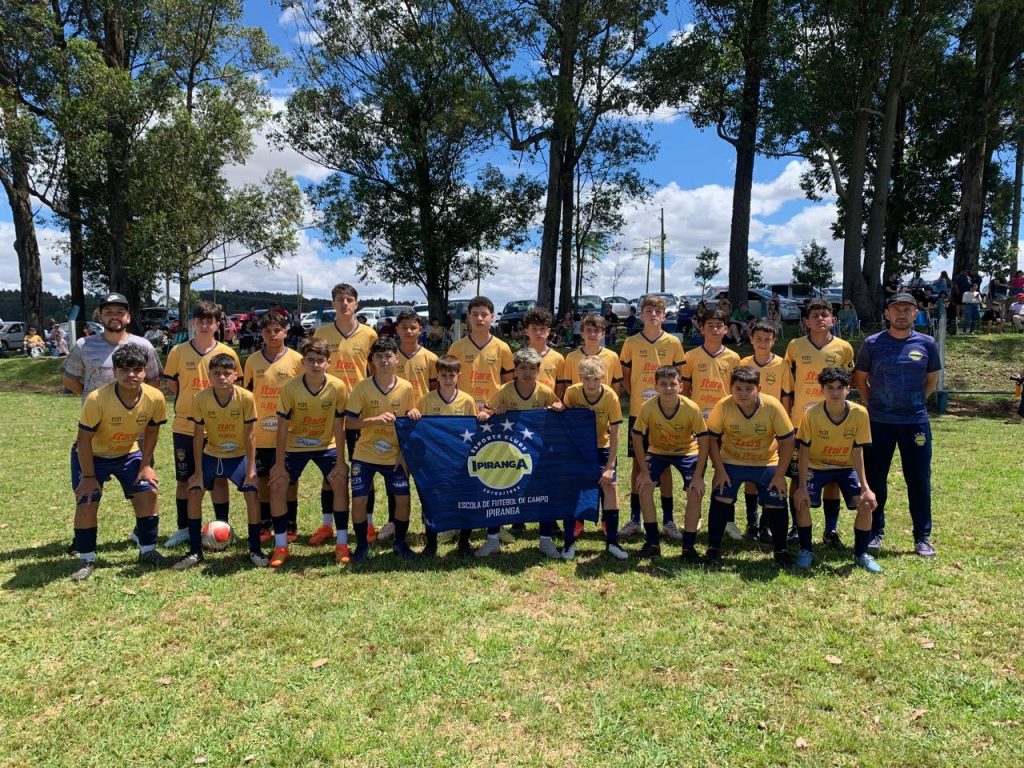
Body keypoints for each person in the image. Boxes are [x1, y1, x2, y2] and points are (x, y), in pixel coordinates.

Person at [62, 292, 162, 551]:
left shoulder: (144, 345)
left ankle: (143, 534)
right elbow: (70, 380)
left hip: (134, 434)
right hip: (96, 431)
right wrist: (98, 400)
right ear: (101, 316)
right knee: (87, 493)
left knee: (142, 487)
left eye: (120, 312)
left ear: (128, 317)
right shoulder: (84, 345)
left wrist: (134, 408)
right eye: (109, 312)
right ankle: (83, 543)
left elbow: (153, 381)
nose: (114, 317)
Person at [68, 343, 169, 581]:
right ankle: (86, 558)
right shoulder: (97, 399)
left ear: (145, 371)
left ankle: (148, 550)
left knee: (149, 491)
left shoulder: (155, 397)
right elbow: (84, 440)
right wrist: (89, 477)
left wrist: (146, 465)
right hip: (92, 456)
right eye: (124, 370)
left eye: (137, 369)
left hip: (127, 453)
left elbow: (152, 432)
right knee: (87, 499)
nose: (131, 375)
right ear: (114, 372)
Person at [853, 292, 942, 558]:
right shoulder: (872, 343)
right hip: (879, 422)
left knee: (919, 480)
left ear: (916, 313)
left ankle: (922, 537)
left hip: (915, 422)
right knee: (876, 479)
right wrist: (873, 404)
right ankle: (874, 532)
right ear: (887, 314)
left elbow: (931, 381)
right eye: (896, 309)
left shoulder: (927, 343)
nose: (901, 314)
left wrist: (915, 403)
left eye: (907, 309)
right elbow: (860, 379)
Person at [172, 354, 267, 570]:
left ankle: (255, 549)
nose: (222, 377)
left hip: (239, 456)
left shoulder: (245, 397)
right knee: (194, 491)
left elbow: (251, 435)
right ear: (209, 376)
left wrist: (251, 471)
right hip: (212, 454)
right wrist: (197, 473)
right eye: (216, 373)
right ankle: (195, 551)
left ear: (235, 375)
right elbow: (198, 436)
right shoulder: (200, 398)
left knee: (252, 493)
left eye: (226, 373)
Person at [162, 301, 240, 549]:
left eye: (210, 321)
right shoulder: (178, 351)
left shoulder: (227, 353)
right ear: (193, 323)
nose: (205, 325)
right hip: (185, 426)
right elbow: (173, 385)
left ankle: (223, 526)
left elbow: (236, 385)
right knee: (185, 479)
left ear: (217, 325)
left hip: (218, 427)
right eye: (200, 321)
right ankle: (184, 528)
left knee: (219, 478)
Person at [268, 338, 349, 567]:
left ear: (328, 363)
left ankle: (342, 543)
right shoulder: (290, 388)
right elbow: (282, 428)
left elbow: (339, 426)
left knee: (340, 482)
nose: (315, 365)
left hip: (326, 445)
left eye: (320, 360)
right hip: (295, 446)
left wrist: (341, 461)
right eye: (311, 360)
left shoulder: (338, 386)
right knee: (277, 484)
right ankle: (280, 546)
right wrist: (279, 464)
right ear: (303, 362)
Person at [476, 347, 564, 557]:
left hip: (537, 454)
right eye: (523, 368)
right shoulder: (505, 390)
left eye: (532, 368)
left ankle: (545, 540)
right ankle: (492, 540)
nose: (527, 373)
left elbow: (558, 406)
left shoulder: (544, 391)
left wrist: (558, 407)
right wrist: (491, 412)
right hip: (508, 454)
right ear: (515, 370)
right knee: (498, 492)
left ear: (538, 370)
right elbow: (485, 410)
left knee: (543, 493)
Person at [792, 368, 880, 572]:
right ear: (821, 390)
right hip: (816, 466)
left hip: (846, 467)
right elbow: (803, 452)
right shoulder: (811, 414)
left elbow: (857, 452)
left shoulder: (860, 413)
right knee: (802, 501)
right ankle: (806, 550)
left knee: (866, 503)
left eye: (840, 388)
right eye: (830, 388)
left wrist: (866, 487)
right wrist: (802, 486)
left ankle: (861, 554)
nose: (835, 392)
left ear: (848, 389)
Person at [706, 366, 795, 566]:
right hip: (731, 461)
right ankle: (713, 548)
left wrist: (780, 475)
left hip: (765, 462)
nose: (743, 393)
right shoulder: (723, 405)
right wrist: (719, 470)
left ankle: (780, 550)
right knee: (720, 495)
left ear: (759, 388)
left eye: (749, 389)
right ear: (731, 388)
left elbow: (788, 440)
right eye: (738, 388)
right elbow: (711, 439)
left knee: (777, 499)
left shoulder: (772, 406)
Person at [784, 299, 855, 546]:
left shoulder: (844, 348)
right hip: (800, 421)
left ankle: (830, 530)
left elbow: (847, 382)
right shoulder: (795, 346)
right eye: (814, 315)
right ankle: (796, 526)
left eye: (824, 314)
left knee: (832, 475)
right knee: (797, 476)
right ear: (806, 321)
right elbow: (787, 384)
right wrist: (786, 418)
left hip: (833, 422)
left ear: (833, 320)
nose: (820, 319)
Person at [447, 296, 515, 553]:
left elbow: (508, 383)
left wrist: (495, 407)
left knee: (494, 470)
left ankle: (495, 524)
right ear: (468, 317)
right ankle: (457, 522)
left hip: (493, 416)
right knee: (462, 470)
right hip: (463, 416)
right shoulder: (456, 347)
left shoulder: (502, 348)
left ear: (492, 317)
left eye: (484, 314)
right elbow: (449, 381)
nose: (479, 318)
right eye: (474, 314)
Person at [314, 283, 380, 542]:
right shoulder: (321, 333)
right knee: (330, 470)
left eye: (349, 299)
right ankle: (326, 524)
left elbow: (375, 372)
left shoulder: (369, 334)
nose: (344, 303)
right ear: (333, 303)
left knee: (363, 466)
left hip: (359, 411)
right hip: (328, 409)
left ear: (356, 304)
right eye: (339, 299)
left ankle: (369, 523)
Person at [618, 295, 685, 541]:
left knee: (664, 465)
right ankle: (635, 519)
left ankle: (668, 520)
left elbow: (680, 376)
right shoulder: (631, 342)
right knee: (639, 465)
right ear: (641, 315)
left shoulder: (673, 342)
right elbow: (626, 376)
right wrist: (637, 395)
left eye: (658, 311)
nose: (653, 315)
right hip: (639, 412)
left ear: (664, 315)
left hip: (665, 413)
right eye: (648, 310)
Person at [345, 336, 419, 562]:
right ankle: (361, 546)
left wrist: (404, 452)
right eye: (379, 357)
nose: (384, 361)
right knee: (359, 500)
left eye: (388, 356)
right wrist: (374, 420)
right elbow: (349, 423)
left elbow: (409, 424)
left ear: (397, 359)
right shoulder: (362, 387)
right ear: (372, 361)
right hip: (365, 453)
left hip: (394, 455)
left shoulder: (406, 387)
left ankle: (400, 543)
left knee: (403, 498)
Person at [631, 365, 709, 561]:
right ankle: (652, 543)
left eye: (672, 384)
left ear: (680, 386)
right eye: (663, 384)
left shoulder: (691, 407)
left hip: (687, 452)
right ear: (655, 387)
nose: (668, 388)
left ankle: (688, 547)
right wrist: (643, 471)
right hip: (657, 451)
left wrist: (698, 477)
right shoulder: (647, 407)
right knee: (644, 487)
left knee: (695, 490)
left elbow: (704, 440)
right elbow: (637, 436)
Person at [407, 354, 478, 555]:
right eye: (443, 375)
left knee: (465, 498)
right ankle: (431, 543)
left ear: (458, 376)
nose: (447, 379)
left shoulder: (467, 400)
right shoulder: (427, 400)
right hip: (434, 460)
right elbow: (417, 429)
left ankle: (464, 542)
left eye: (452, 375)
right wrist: (413, 415)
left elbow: (475, 428)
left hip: (460, 459)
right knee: (431, 499)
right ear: (437, 376)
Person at [243, 312, 304, 545]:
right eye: (267, 331)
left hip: (289, 432)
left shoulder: (297, 360)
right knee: (263, 478)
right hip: (260, 431)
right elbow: (247, 395)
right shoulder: (252, 361)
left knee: (288, 479)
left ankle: (290, 523)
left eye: (277, 330)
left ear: (285, 332)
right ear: (261, 333)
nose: (272, 335)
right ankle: (265, 522)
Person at [561, 356, 626, 560]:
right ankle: (568, 542)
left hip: (602, 446)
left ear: (603, 378)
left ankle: (612, 541)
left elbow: (615, 434)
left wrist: (610, 466)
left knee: (610, 488)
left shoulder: (610, 396)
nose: (591, 383)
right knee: (572, 490)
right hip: (579, 449)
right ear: (580, 377)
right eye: (587, 378)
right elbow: (565, 420)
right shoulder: (572, 393)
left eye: (596, 378)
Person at [739, 321, 794, 542]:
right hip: (748, 427)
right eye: (758, 339)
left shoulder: (782, 365)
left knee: (770, 474)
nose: (762, 343)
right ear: (751, 340)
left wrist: (784, 427)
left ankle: (767, 522)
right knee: (751, 476)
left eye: (767, 339)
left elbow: (786, 397)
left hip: (773, 427)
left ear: (774, 341)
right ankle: (751, 523)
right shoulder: (743, 363)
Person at [560, 314, 624, 393]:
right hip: (578, 401)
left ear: (603, 334)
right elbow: (568, 387)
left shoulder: (612, 357)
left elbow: (616, 386)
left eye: (596, 331)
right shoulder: (571, 358)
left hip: (604, 400)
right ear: (582, 334)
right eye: (588, 330)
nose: (592, 334)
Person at [522, 307, 565, 397]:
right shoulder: (519, 357)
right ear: (526, 331)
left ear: (548, 331)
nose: (538, 332)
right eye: (534, 328)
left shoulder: (558, 358)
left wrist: (555, 401)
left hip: (549, 405)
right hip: (524, 404)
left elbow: (560, 387)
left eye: (542, 328)